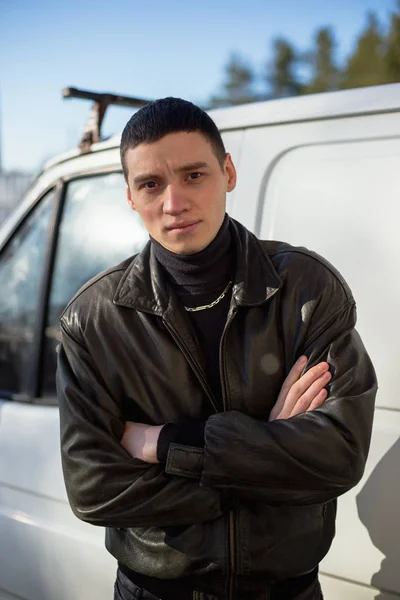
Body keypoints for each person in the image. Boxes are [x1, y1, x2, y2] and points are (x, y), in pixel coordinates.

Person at [57, 97, 377, 600]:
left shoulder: (307, 290)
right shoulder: (94, 318)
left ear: (227, 172)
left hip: (286, 591)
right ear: (131, 197)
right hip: (154, 592)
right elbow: (93, 489)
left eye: (193, 176)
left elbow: (339, 456)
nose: (173, 203)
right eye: (150, 184)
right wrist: (266, 453)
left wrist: (163, 444)